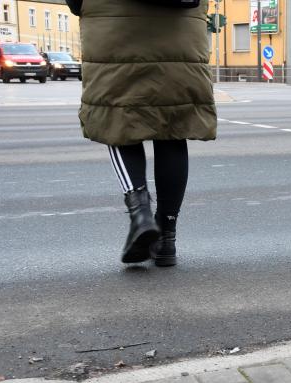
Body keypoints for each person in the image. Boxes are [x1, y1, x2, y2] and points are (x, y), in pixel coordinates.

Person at [66, 0, 217, 266]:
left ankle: (141, 214)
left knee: (116, 122)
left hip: (115, 30)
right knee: (173, 127)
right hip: (180, 33)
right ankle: (167, 237)